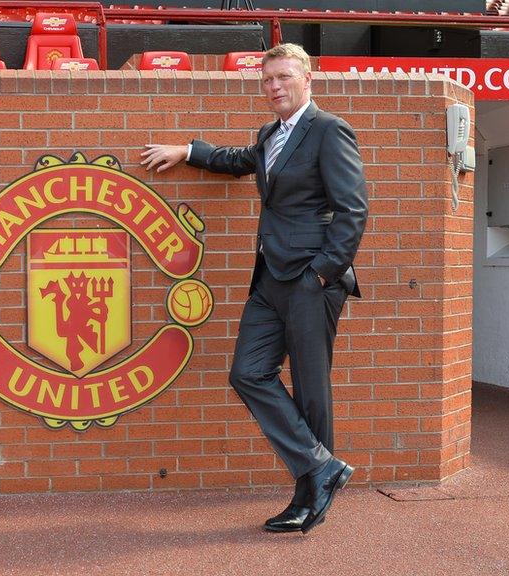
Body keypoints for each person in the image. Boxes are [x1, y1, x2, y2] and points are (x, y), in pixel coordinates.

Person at [141, 43, 368, 534]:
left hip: (310, 279)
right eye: (267, 80)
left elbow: (353, 211)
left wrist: (322, 274)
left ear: (307, 78)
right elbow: (241, 158)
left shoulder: (328, 130)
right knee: (248, 372)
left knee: (311, 389)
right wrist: (189, 151)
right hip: (270, 279)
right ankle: (322, 468)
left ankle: (310, 496)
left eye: (283, 77)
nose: (274, 87)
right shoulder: (271, 134)